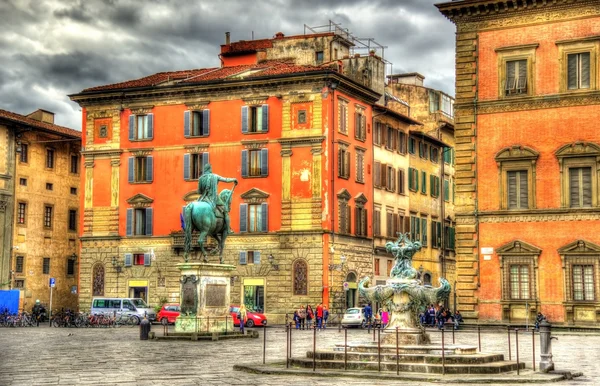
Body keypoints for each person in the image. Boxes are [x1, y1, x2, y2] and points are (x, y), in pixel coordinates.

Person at [197, 163, 237, 234]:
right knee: (225, 211)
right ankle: (228, 229)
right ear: (209, 169)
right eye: (211, 168)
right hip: (213, 198)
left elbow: (199, 191)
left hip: (202, 199)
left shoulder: (200, 179)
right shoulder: (215, 176)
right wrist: (234, 179)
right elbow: (226, 180)